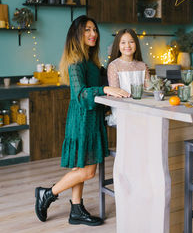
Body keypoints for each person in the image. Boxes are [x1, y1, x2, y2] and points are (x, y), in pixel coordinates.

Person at [34, 15, 130, 226]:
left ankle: (76, 209)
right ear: (77, 34)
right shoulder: (75, 62)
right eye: (87, 30)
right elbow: (80, 94)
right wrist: (105, 89)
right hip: (81, 120)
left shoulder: (92, 62)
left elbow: (108, 79)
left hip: (92, 120)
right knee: (88, 171)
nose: (93, 34)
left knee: (80, 168)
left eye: (94, 30)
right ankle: (47, 193)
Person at [106, 28, 150, 126]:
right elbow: (116, 93)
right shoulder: (114, 66)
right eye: (123, 42)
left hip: (143, 109)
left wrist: (167, 86)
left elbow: (149, 89)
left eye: (131, 42)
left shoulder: (142, 65)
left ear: (136, 44)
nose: (127, 46)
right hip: (123, 111)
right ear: (118, 45)